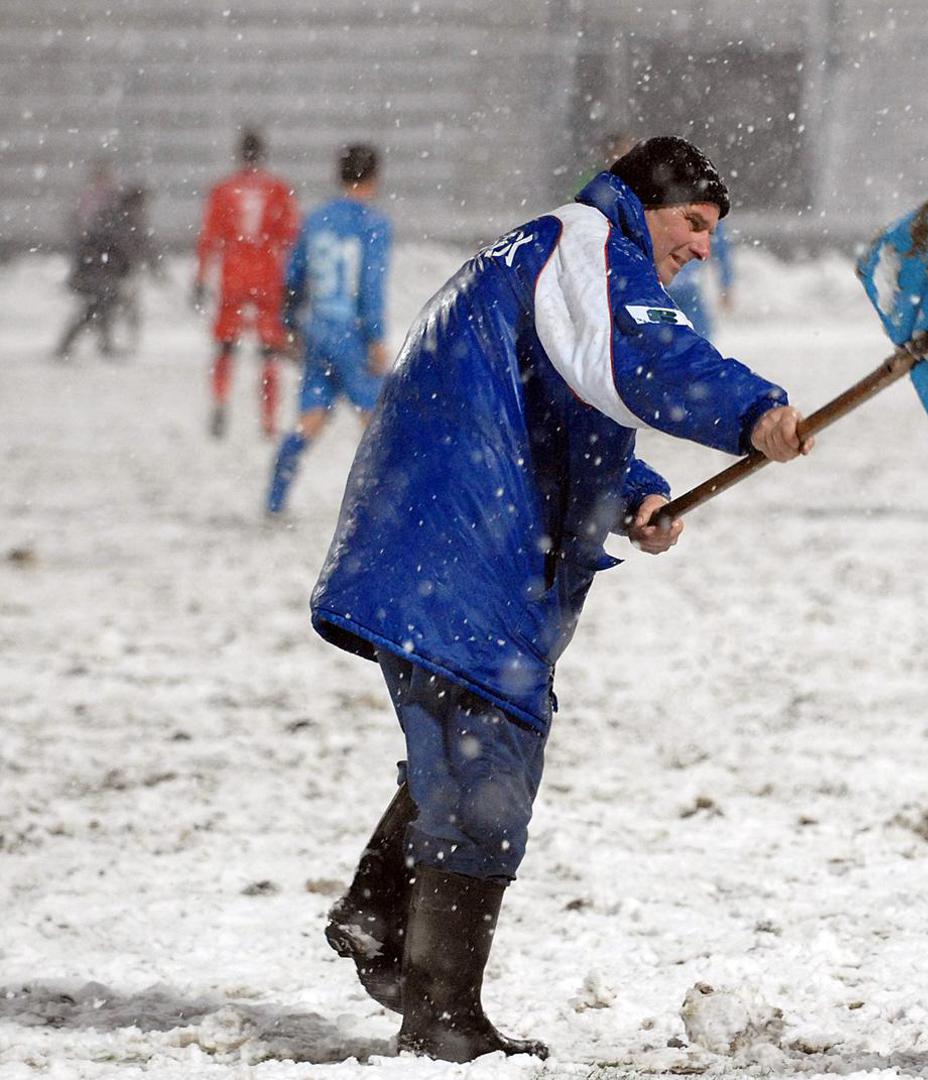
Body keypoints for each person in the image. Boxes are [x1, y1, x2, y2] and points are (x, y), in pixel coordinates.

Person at [310, 135, 811, 1061]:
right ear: (639, 200)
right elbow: (639, 358)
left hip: (441, 536)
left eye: (713, 232)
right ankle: (444, 1019)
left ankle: (380, 915)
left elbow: (565, 397)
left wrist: (634, 492)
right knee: (487, 764)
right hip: (462, 545)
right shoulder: (584, 241)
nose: (702, 245)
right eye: (693, 223)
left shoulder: (550, 249)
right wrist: (753, 413)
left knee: (472, 736)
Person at [264, 143, 391, 516]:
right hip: (351, 333)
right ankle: (384, 508)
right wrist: (375, 336)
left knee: (311, 417)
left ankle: (275, 496)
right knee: (379, 420)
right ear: (373, 178)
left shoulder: (316, 220)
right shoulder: (373, 224)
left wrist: (289, 324)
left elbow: (293, 276)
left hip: (317, 330)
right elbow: (370, 285)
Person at [195, 128, 299, 438]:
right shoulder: (277, 190)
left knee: (226, 346)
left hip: (234, 276)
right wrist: (293, 281)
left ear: (240, 154)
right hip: (267, 277)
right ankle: (268, 420)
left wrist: (201, 277)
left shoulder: (224, 190)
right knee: (269, 350)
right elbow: (290, 238)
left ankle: (220, 399)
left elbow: (210, 238)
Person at [55, 184, 157, 361]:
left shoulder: (119, 218)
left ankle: (75, 345)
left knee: (96, 308)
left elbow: (137, 248)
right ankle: (100, 345)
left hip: (99, 272)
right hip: (96, 272)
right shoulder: (120, 221)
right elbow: (127, 248)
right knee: (100, 306)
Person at [665, 219, 733, 338]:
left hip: (665, 284)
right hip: (686, 285)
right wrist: (726, 284)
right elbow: (721, 250)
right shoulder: (706, 211)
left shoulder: (656, 209)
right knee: (699, 336)